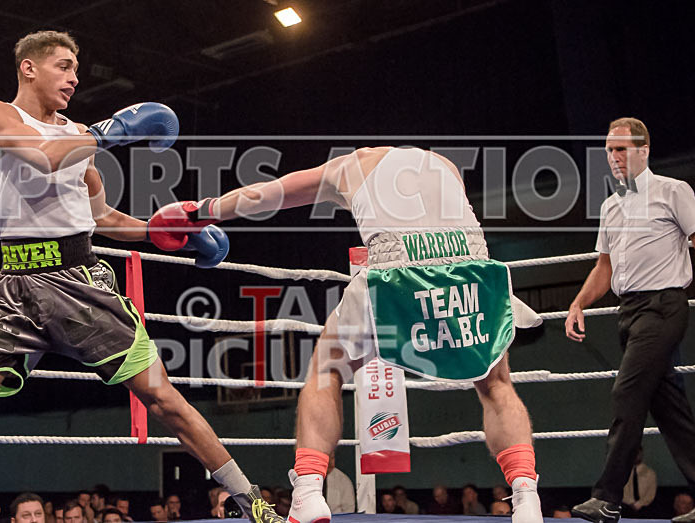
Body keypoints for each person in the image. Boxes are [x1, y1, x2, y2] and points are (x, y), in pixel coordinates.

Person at [0, 30, 280, 523]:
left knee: (164, 399)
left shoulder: (80, 139)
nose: (73, 78)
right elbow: (44, 158)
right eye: (64, 66)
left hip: (81, 283)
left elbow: (105, 218)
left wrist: (167, 230)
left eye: (75, 69)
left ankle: (251, 501)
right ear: (29, 67)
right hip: (15, 289)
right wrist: (115, 128)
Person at [150, 146, 544, 523]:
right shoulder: (443, 164)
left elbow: (264, 196)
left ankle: (307, 492)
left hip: (402, 266)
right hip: (474, 270)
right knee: (495, 383)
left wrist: (196, 212)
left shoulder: (350, 166)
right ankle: (527, 495)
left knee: (328, 367)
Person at [566, 117, 695, 523]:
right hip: (630, 314)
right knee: (671, 410)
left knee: (626, 393)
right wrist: (577, 303)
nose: (613, 156)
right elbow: (604, 268)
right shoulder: (610, 204)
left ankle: (607, 498)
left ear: (643, 150)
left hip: (663, 307)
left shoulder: (673, 191)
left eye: (621, 148)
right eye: (608, 149)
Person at [621, 446, 657, 516]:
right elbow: (621, 489)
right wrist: (631, 502)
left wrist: (640, 503)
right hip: (626, 507)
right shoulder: (623, 472)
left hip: (645, 508)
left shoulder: (649, 473)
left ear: (641, 454)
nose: (636, 456)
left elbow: (651, 493)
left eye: (638, 453)